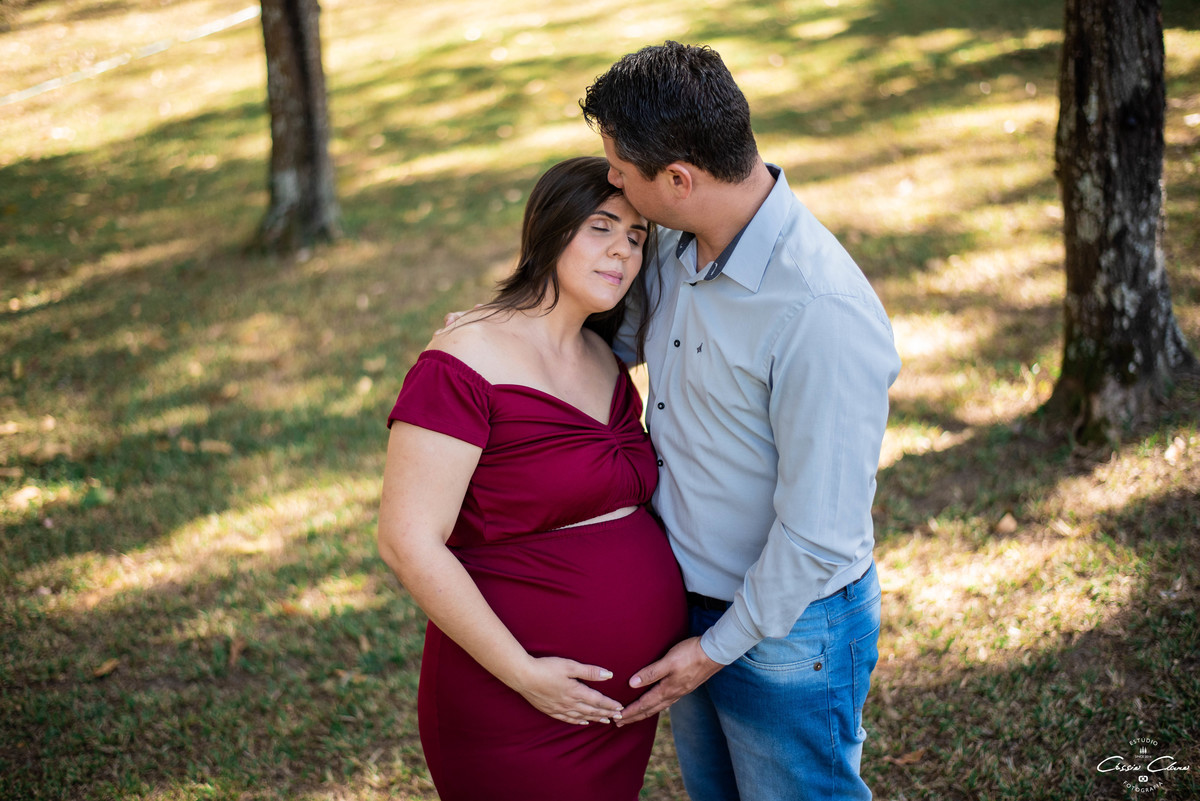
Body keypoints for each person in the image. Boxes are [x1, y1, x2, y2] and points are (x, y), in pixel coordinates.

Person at [579, 42, 903, 800]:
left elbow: (819, 531)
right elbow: (606, 349)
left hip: (788, 631)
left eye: (621, 169)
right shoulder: (673, 246)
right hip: (688, 605)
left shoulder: (820, 311)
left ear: (679, 180)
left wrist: (714, 649)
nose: (612, 180)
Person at [376, 156, 687, 801]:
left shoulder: (605, 355)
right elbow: (407, 542)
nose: (623, 251)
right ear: (551, 228)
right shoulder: (463, 360)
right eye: (602, 227)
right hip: (514, 700)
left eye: (636, 237)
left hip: (616, 711)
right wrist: (522, 673)